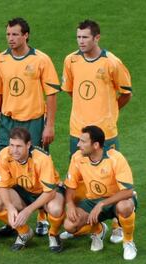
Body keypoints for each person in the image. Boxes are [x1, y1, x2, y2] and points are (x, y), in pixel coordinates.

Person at [0, 17, 60, 236]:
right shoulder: (0, 60)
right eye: (8, 34)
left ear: (26, 35)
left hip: (33, 121)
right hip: (8, 122)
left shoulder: (41, 60)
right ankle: (12, 219)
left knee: (35, 169)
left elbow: (52, 94)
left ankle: (41, 217)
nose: (10, 38)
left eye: (15, 34)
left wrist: (50, 125)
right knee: (8, 167)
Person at [60, 19, 132, 242]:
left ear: (97, 38)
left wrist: (110, 114)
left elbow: (126, 93)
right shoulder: (70, 60)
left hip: (105, 133)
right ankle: (88, 223)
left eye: (85, 37)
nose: (81, 41)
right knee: (81, 179)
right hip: (78, 132)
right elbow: (71, 91)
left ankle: (117, 224)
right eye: (78, 37)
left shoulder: (112, 63)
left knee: (110, 179)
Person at [63, 125, 137, 260]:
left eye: (83, 141)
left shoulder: (115, 158)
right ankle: (98, 230)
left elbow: (128, 191)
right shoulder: (77, 157)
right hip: (93, 201)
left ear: (96, 145)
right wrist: (70, 204)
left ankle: (128, 242)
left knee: (125, 207)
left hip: (117, 200)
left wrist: (102, 204)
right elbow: (70, 185)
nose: (78, 144)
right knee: (69, 225)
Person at [0, 127, 64, 252]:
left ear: (28, 145)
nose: (14, 150)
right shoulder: (4, 154)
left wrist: (28, 210)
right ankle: (24, 232)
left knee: (55, 209)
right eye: (11, 145)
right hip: (23, 191)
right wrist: (9, 207)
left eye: (18, 146)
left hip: (45, 193)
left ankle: (53, 234)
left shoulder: (42, 158)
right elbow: (1, 185)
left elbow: (50, 192)